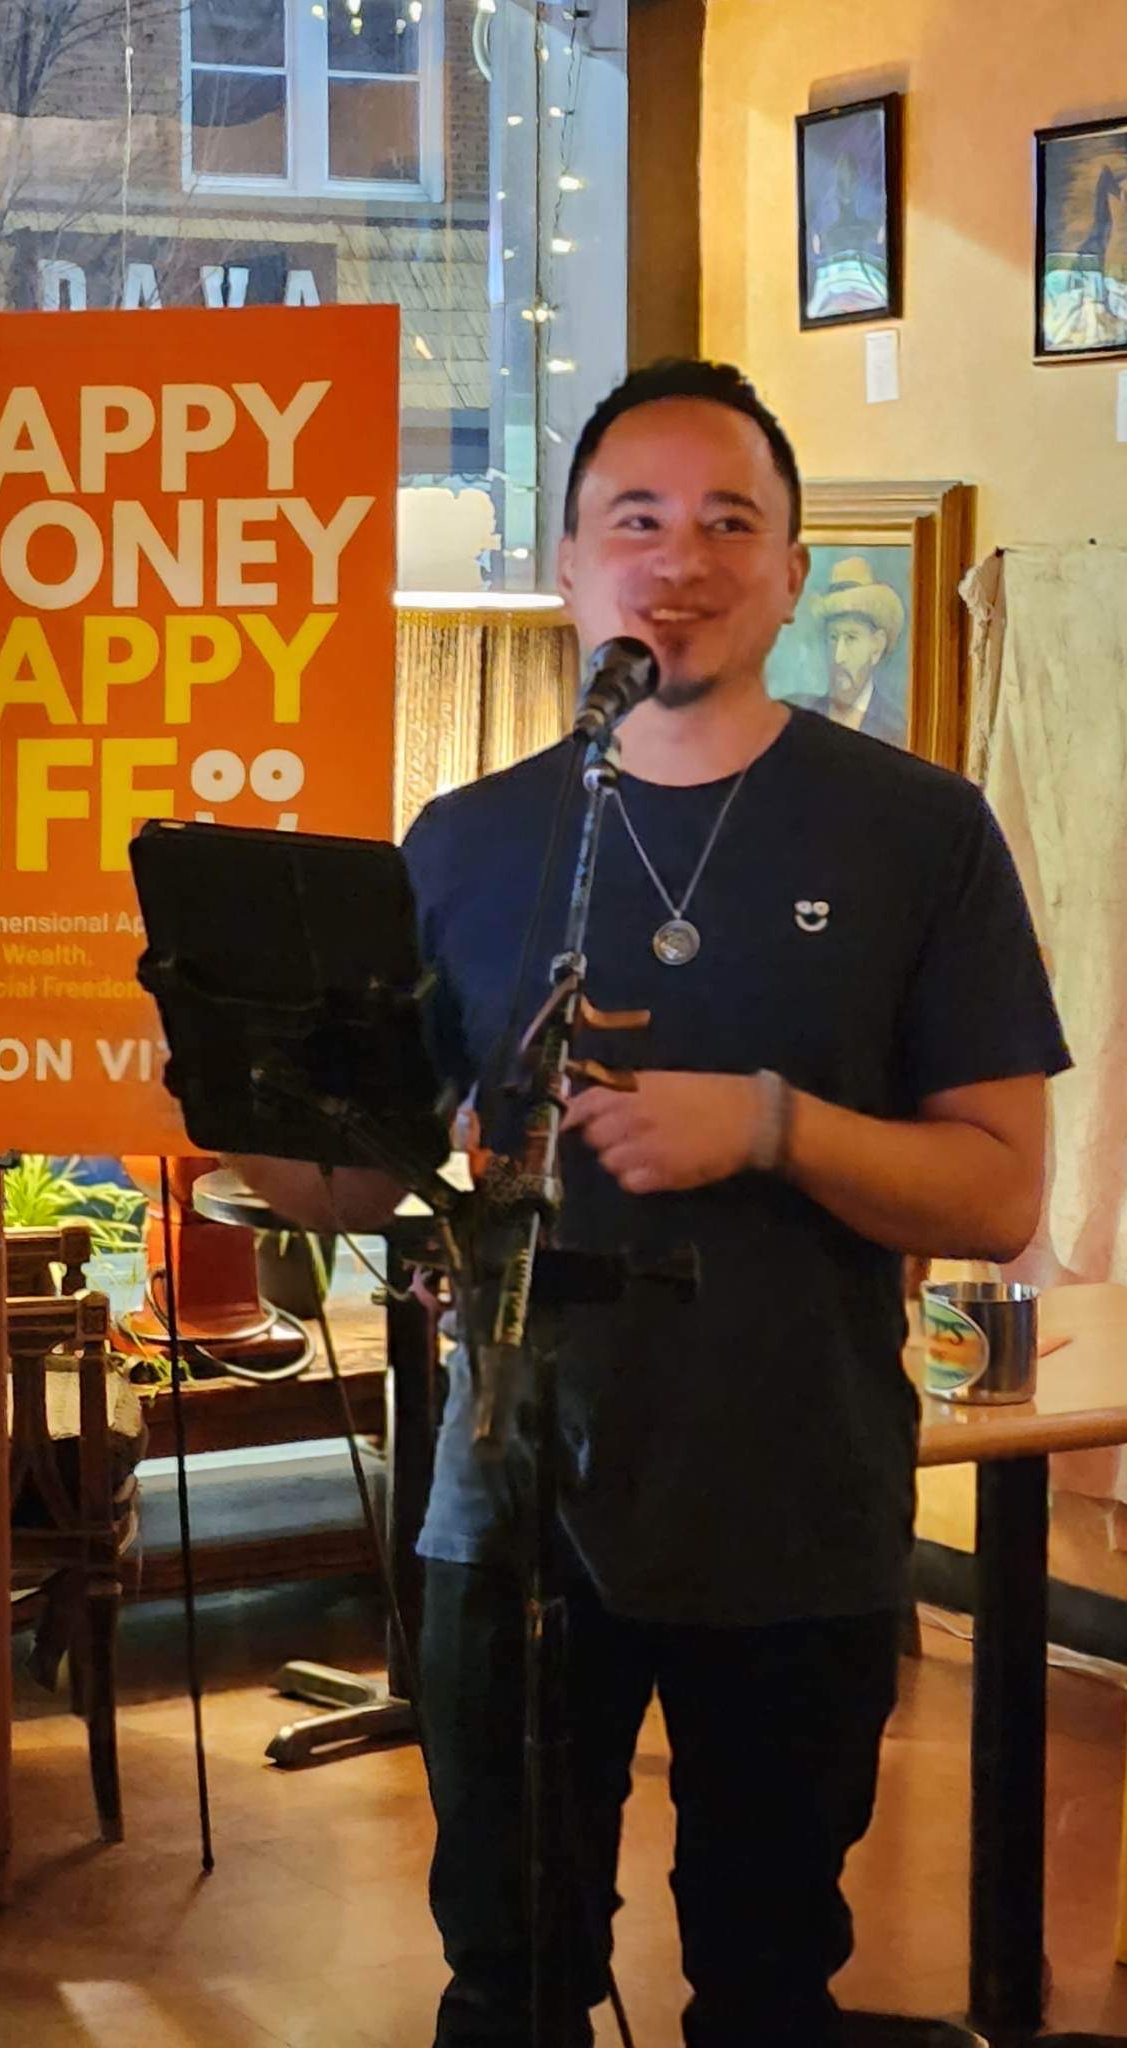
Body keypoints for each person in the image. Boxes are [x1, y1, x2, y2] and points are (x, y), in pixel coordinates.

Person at [231, 357, 1069, 2048]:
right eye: (636, 521)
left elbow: (996, 1187)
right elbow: (356, 1169)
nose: (676, 560)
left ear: (787, 570)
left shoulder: (918, 831)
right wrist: (220, 1086)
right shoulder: (467, 840)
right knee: (509, 1972)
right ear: (569, 565)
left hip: (795, 1487)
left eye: (724, 522)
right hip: (510, 1497)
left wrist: (766, 1124)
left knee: (767, 1978)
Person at [788, 555, 908, 745]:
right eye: (833, 638)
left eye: (851, 638)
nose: (838, 657)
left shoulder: (898, 730)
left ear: (876, 646)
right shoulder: (797, 719)